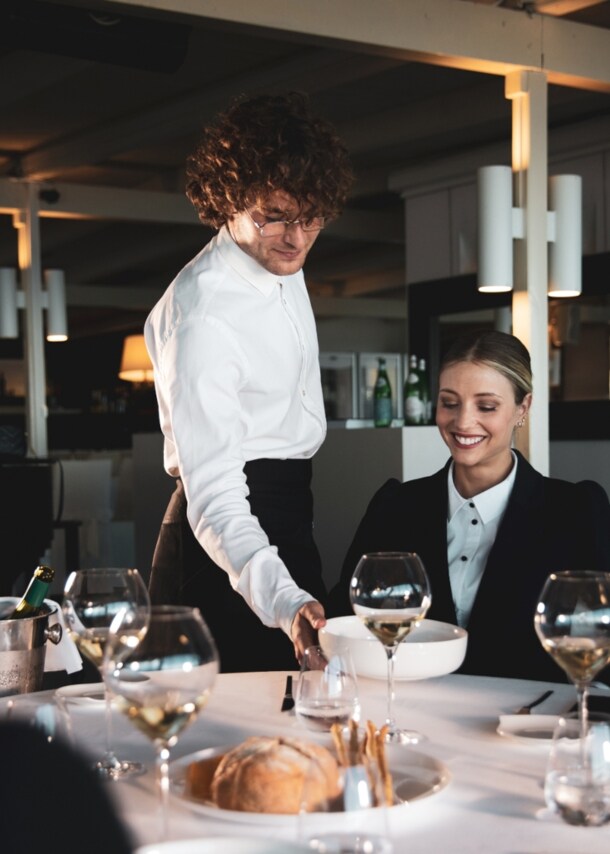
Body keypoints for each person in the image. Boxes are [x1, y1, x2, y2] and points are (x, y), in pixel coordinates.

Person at [144, 91, 353, 672]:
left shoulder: (279, 254)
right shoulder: (204, 315)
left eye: (311, 218)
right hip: (224, 543)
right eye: (274, 215)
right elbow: (215, 496)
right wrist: (284, 600)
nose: (296, 237)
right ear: (228, 199)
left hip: (288, 518)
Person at [328, 330, 610, 683]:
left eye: (486, 406)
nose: (462, 422)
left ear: (523, 408)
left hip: (535, 714)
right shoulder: (395, 506)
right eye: (449, 403)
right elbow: (344, 620)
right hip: (411, 711)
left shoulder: (577, 511)